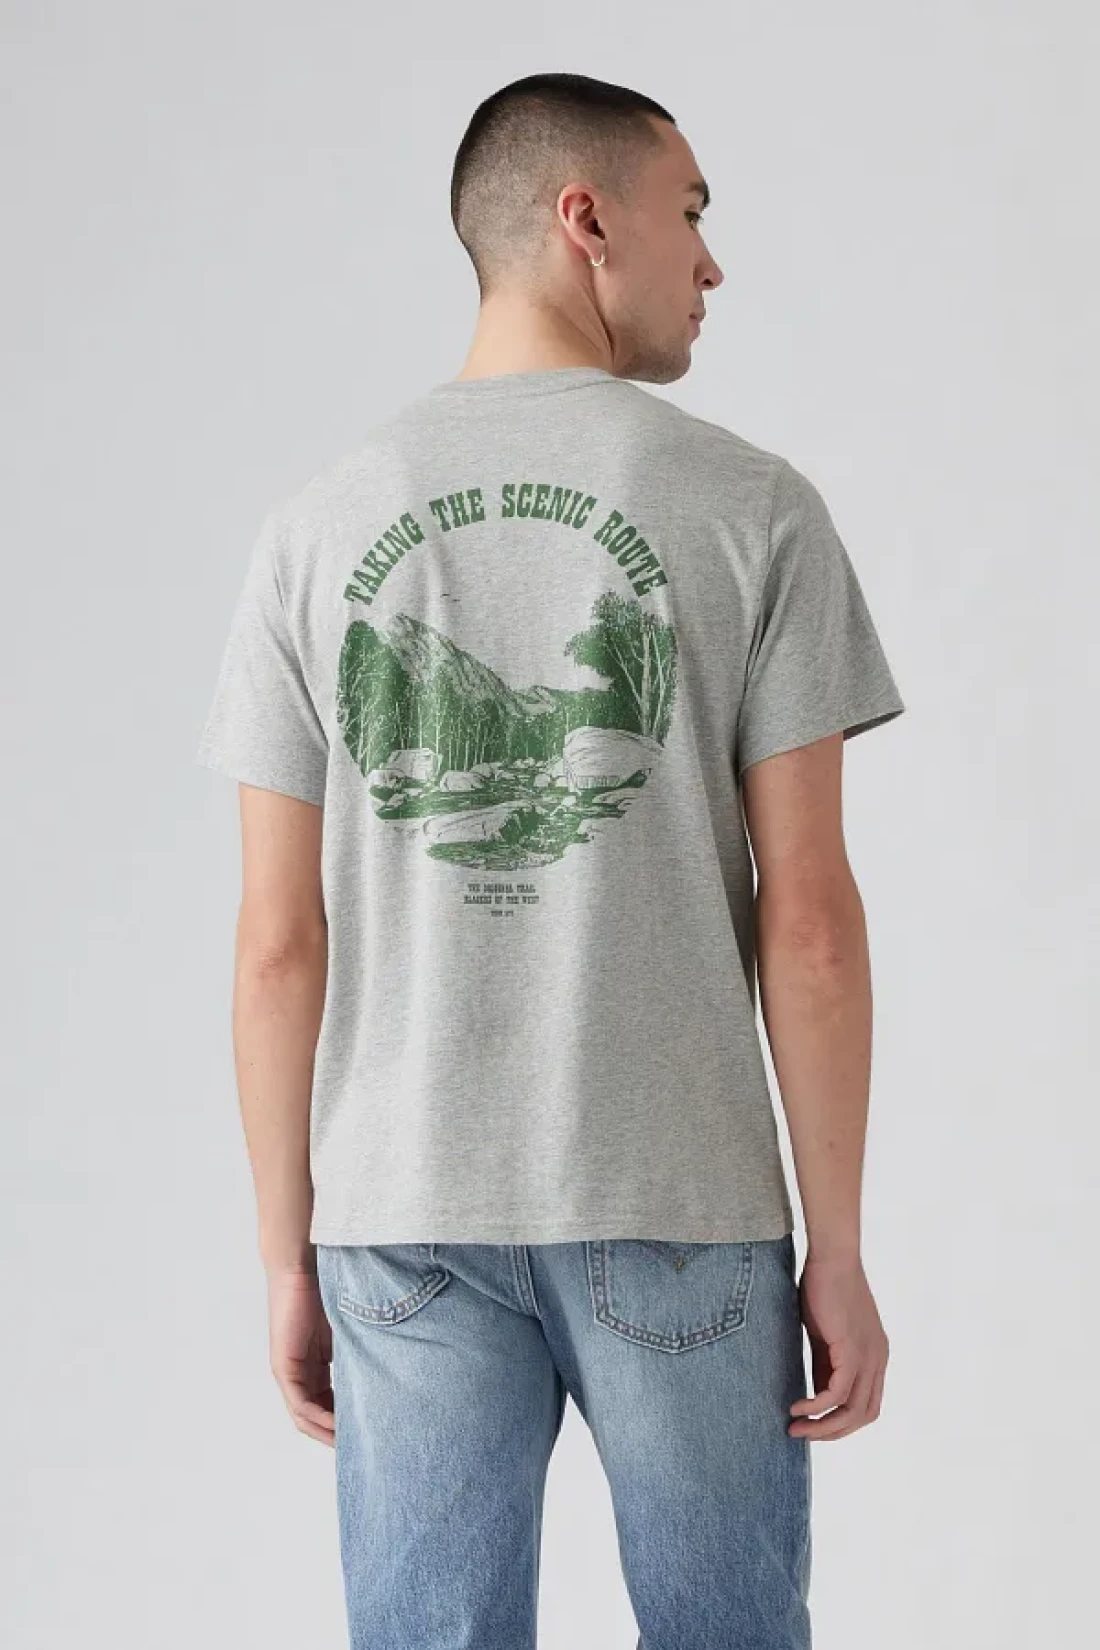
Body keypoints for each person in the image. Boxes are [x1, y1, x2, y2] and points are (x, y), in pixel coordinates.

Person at [196, 70, 905, 1650]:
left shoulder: (316, 527)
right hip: (680, 1196)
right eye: (691, 213)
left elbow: (274, 941)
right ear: (587, 220)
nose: (711, 262)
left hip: (401, 1211)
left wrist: (285, 1250)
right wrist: (841, 1247)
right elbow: (809, 921)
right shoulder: (753, 510)